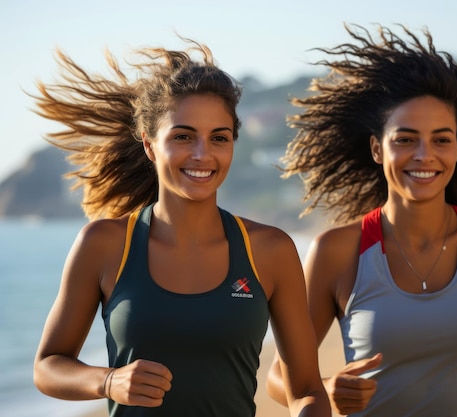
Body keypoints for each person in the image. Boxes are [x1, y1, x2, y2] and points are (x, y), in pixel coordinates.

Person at [267, 24, 457, 417]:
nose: (424, 155)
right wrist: (326, 390)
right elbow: (280, 376)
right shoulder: (337, 251)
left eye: (441, 139)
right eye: (405, 139)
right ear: (377, 149)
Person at [31, 37, 331, 417]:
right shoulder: (104, 244)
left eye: (218, 138)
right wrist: (108, 381)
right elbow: (48, 366)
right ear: (150, 145)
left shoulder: (269, 250)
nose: (203, 154)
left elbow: (306, 389)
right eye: (183, 136)